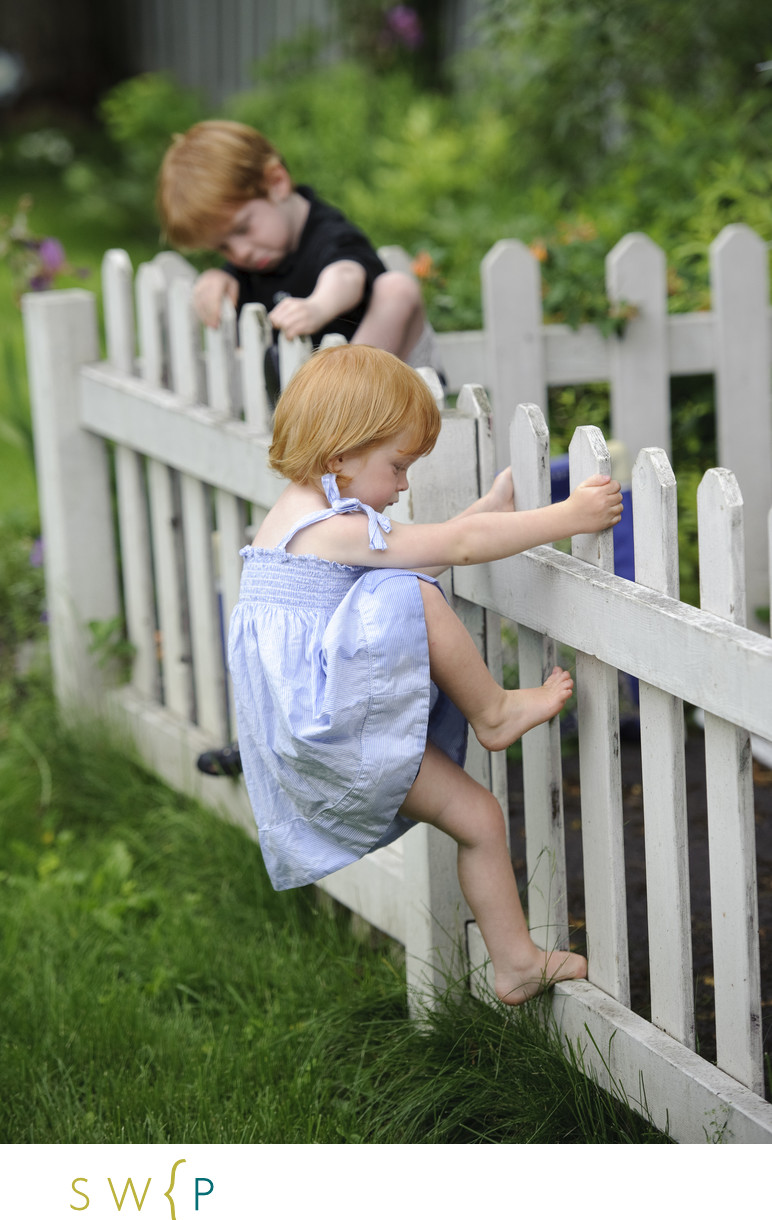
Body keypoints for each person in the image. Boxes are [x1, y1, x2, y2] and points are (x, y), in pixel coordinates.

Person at [225, 345, 623, 1005]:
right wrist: (570, 517)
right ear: (340, 457)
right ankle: (493, 712)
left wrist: (487, 510)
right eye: (398, 465)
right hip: (337, 730)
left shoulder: (295, 516)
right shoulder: (335, 528)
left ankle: (516, 962)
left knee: (478, 816)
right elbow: (445, 554)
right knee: (407, 593)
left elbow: (430, 547)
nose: (404, 485)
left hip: (319, 733)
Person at [157, 119, 444, 398]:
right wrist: (217, 279)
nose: (240, 252)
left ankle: (343, 406)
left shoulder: (327, 232)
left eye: (243, 228)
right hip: (319, 413)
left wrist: (317, 307)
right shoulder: (254, 261)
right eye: (223, 247)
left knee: (397, 288)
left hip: (402, 389)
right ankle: (330, 414)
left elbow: (346, 274)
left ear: (277, 182)